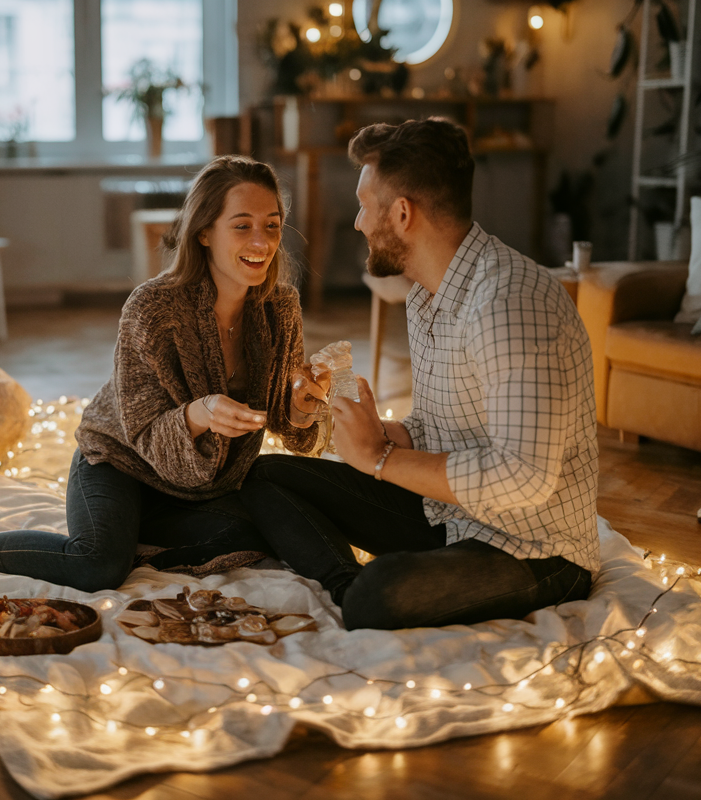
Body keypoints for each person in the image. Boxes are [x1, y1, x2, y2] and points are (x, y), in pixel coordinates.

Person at [0, 156, 327, 592]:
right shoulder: (152, 308)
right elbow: (143, 433)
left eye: (272, 226)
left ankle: (135, 535)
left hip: (202, 483)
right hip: (119, 462)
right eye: (242, 226)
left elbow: (286, 422)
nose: (262, 242)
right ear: (203, 232)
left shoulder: (280, 308)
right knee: (98, 565)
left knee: (267, 535)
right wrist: (200, 413)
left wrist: (302, 409)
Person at [241, 118, 599, 630]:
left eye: (367, 205)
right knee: (266, 475)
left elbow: (525, 478)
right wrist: (372, 430)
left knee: (380, 596)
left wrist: (379, 459)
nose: (361, 222)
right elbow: (436, 430)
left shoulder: (509, 303)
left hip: (534, 549)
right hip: (446, 515)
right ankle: (350, 587)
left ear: (402, 213)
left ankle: (367, 595)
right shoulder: (426, 296)